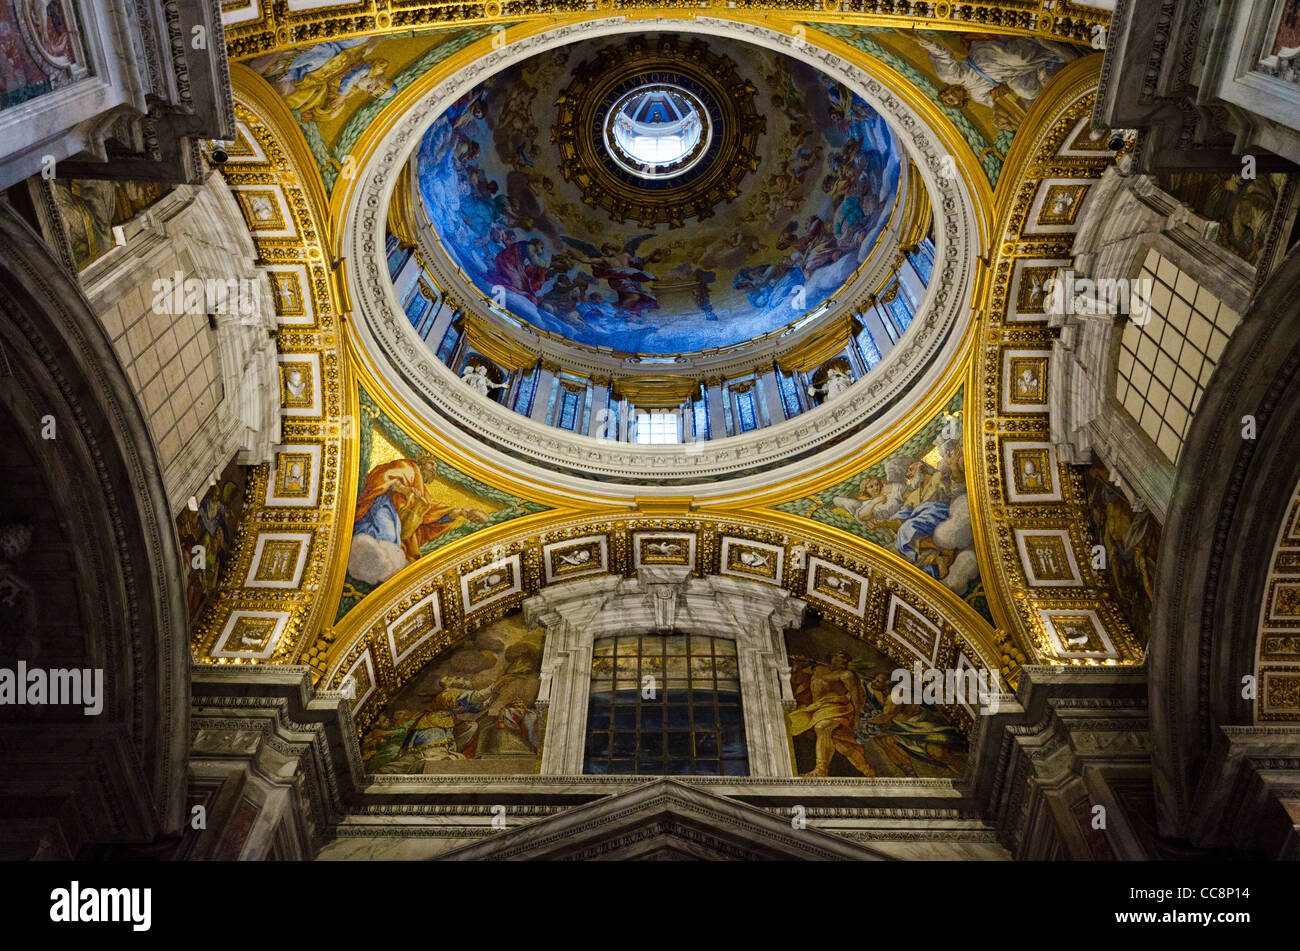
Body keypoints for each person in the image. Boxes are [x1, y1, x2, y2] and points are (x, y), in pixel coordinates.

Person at [787, 651, 876, 777]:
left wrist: (856, 717)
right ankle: (869, 773)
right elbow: (796, 679)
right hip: (818, 708)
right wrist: (798, 665)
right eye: (838, 656)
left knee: (822, 727)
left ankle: (821, 770)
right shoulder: (818, 670)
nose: (842, 659)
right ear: (831, 658)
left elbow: (856, 696)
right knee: (842, 745)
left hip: (838, 707)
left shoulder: (846, 674)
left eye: (844, 657)